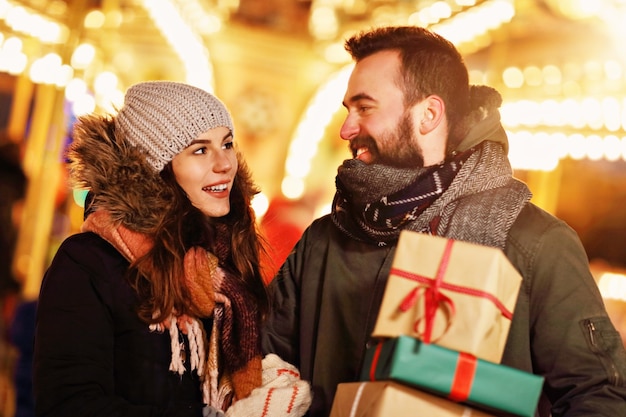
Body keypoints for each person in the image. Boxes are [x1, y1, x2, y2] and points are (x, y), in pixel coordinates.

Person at [261, 26, 626, 417]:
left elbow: (597, 395)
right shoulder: (324, 240)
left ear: (429, 114)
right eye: (347, 110)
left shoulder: (533, 244)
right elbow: (268, 363)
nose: (347, 129)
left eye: (364, 108)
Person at [33, 81, 311, 417]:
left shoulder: (219, 269)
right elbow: (70, 405)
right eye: (200, 150)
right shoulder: (88, 262)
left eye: (226, 144)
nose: (225, 163)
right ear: (156, 168)